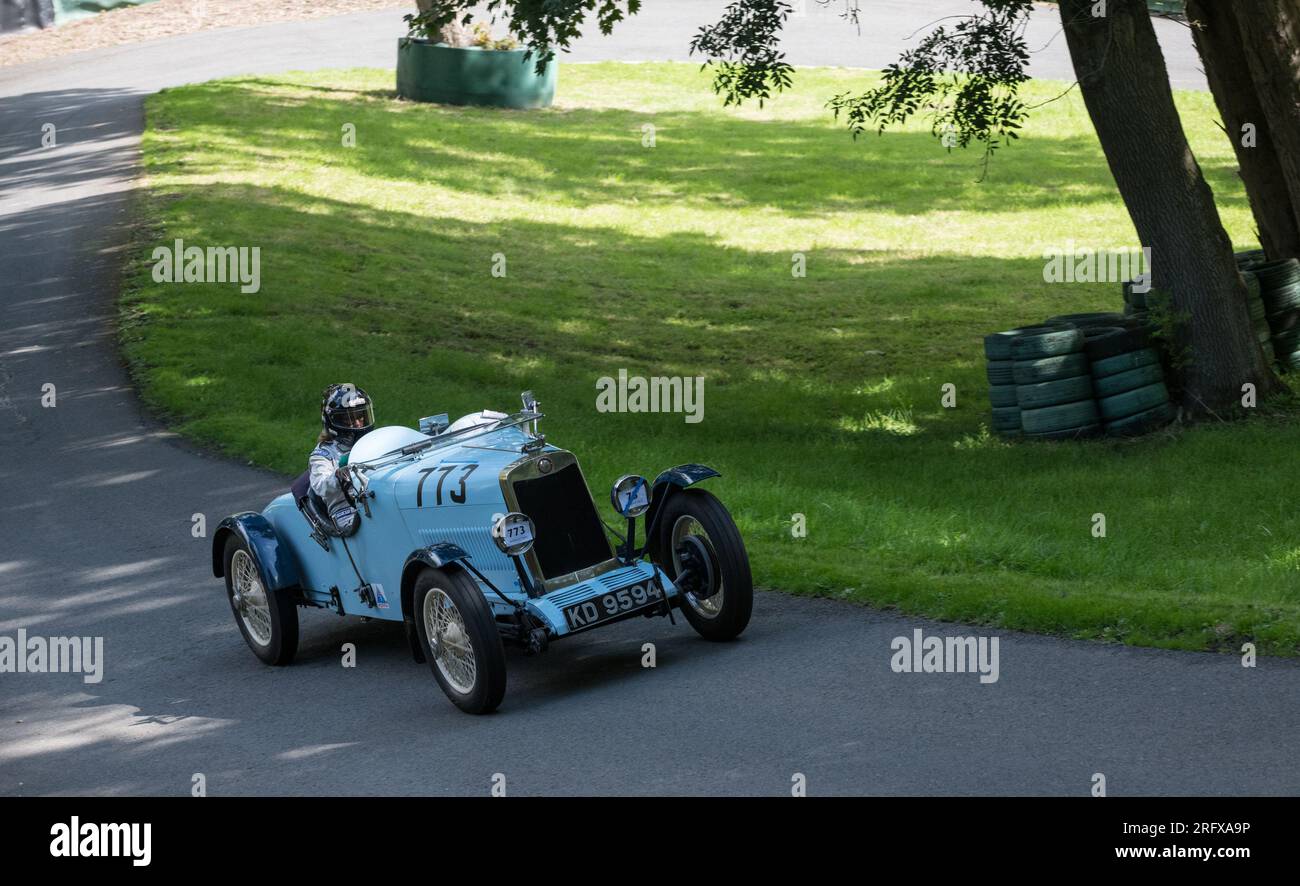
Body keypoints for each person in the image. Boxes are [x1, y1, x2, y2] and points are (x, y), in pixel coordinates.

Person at [310, 383, 375, 535]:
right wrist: (338, 476)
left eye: (361, 417)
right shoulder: (323, 454)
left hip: (374, 497)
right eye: (349, 419)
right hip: (344, 510)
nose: (358, 423)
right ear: (334, 421)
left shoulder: (374, 441)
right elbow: (320, 485)